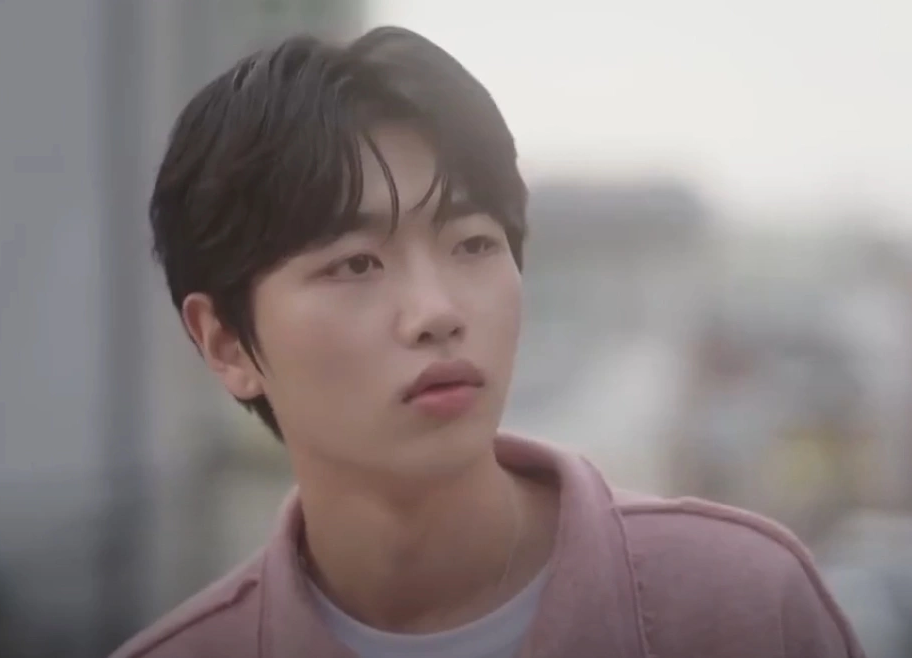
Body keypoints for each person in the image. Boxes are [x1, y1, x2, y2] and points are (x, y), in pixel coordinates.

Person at [111, 26, 864, 658]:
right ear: (226, 344)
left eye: (472, 244)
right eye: (355, 264)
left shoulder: (740, 606)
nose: (436, 312)